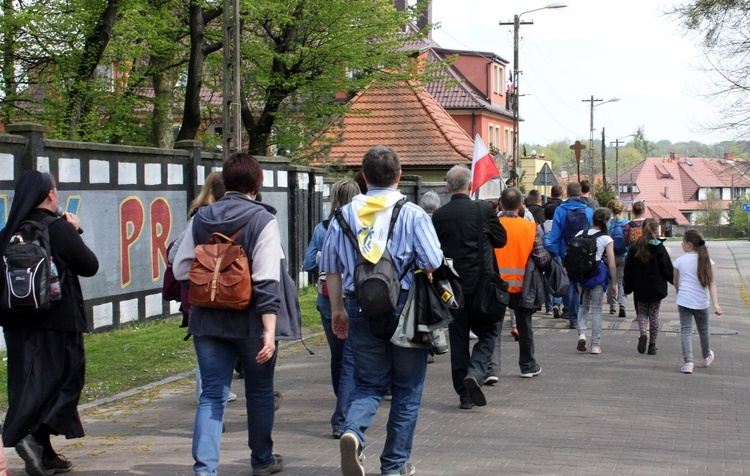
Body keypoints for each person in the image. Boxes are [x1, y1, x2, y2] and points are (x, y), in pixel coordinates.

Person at [173, 153, 299, 476]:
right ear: (257, 185)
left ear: (225, 183)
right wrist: (270, 331)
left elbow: (181, 267)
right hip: (252, 323)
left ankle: (204, 469)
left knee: (212, 395)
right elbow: (268, 280)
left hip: (208, 322)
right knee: (259, 392)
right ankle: (261, 460)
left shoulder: (201, 219)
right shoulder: (262, 220)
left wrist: (211, 279)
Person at [321, 146, 443, 476]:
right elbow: (433, 260)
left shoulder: (343, 215)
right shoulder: (413, 213)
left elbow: (330, 267)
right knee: (407, 388)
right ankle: (394, 464)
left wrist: (336, 310)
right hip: (405, 309)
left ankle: (353, 431)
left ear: (363, 177)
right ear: (399, 176)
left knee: (367, 383)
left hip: (359, 306)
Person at [0, 170, 99, 476]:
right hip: (59, 320)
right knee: (65, 381)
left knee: (28, 384)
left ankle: (42, 451)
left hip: (16, 323)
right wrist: (74, 229)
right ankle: (29, 435)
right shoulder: (57, 228)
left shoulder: (9, 232)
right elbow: (90, 266)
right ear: (51, 195)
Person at [432, 165, 507, 409]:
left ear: (447, 186)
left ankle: (464, 395)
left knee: (458, 338)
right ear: (470, 185)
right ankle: (475, 372)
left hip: (452, 288)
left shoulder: (439, 215)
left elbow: (434, 252)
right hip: (482, 285)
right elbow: (501, 240)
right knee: (489, 332)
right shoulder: (483, 210)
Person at [303, 178, 360, 439]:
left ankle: (342, 403)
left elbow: (307, 264)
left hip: (328, 299)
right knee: (352, 358)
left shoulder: (323, 228)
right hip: (356, 296)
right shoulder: (365, 223)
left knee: (338, 357)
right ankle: (344, 413)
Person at [493, 188, 549, 377]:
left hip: (496, 285)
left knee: (493, 327)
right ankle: (527, 365)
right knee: (525, 326)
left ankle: (491, 369)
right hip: (522, 285)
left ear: (500, 204)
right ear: (520, 206)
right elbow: (541, 258)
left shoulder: (493, 225)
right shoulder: (529, 228)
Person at [673, 230, 722, 374]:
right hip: (701, 302)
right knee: (704, 330)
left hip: (684, 300)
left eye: (682, 242)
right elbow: (711, 283)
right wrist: (716, 305)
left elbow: (676, 281)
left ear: (689, 244)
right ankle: (707, 356)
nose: (681, 244)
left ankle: (688, 362)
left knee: (686, 331)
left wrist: (678, 291)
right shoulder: (707, 260)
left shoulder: (679, 261)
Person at [545, 182, 593, 329]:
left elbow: (556, 233)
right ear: (580, 194)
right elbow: (591, 233)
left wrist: (554, 251)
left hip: (565, 251)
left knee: (569, 283)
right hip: (584, 253)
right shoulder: (589, 211)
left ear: (567, 193)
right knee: (582, 284)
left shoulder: (560, 210)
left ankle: (571, 315)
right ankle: (579, 315)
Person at [623, 218, 674, 356]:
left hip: (640, 287)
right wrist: (675, 282)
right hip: (657, 288)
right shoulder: (660, 247)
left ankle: (643, 334)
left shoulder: (635, 247)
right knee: (654, 316)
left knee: (642, 314)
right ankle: (652, 345)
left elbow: (628, 270)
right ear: (657, 230)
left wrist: (627, 288)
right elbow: (667, 269)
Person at [574, 208, 617, 355]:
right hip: (597, 274)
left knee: (583, 305)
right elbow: (611, 263)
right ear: (605, 221)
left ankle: (581, 334)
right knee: (597, 309)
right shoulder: (606, 239)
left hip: (581, 274)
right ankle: (595, 344)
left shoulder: (580, 234)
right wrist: (614, 283)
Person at [607, 199, 629, 317]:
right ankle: (622, 304)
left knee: (612, 281)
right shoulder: (627, 223)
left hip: (611, 256)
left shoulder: (609, 223)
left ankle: (612, 307)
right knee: (621, 282)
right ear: (622, 210)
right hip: (623, 256)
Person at [542, 203, 562, 318]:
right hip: (556, 254)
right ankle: (557, 302)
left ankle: (548, 307)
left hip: (545, 256)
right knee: (558, 279)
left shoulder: (541, 226)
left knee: (547, 279)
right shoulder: (558, 225)